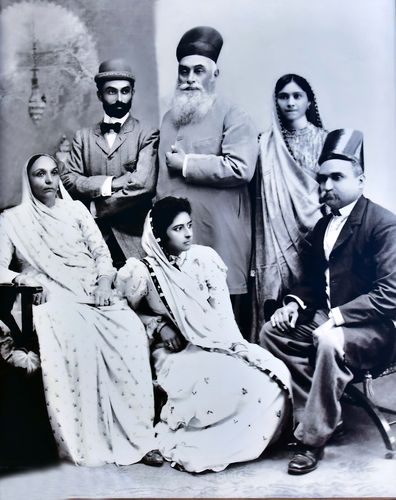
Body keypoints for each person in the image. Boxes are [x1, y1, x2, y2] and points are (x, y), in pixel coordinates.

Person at [0, 154, 163, 467]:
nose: (48, 180)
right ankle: (92, 437)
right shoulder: (13, 220)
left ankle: (139, 437)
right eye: (39, 174)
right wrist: (22, 278)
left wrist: (104, 283)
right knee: (74, 333)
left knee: (128, 329)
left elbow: (102, 255)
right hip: (51, 294)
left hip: (91, 289)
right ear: (28, 180)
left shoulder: (75, 210)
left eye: (53, 173)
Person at [116, 196, 291, 473]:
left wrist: (236, 345)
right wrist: (159, 324)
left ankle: (252, 441)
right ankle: (209, 443)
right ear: (160, 236)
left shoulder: (203, 259)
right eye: (177, 228)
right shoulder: (143, 272)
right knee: (222, 385)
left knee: (269, 375)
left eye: (189, 225)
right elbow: (122, 315)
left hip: (216, 340)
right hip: (174, 350)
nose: (187, 233)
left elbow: (222, 312)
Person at [259, 129, 396, 475]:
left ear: (361, 180)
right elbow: (313, 284)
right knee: (271, 334)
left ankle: (312, 441)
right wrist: (292, 304)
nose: (327, 186)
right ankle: (326, 416)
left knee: (326, 340)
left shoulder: (383, 225)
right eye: (322, 178)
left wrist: (338, 316)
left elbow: (391, 293)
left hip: (375, 329)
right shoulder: (323, 226)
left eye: (337, 177)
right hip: (329, 317)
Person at [156, 26, 259, 329]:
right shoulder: (168, 118)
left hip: (221, 242)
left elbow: (241, 167)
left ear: (215, 74)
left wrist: (187, 163)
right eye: (183, 71)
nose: (189, 78)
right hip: (177, 246)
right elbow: (162, 184)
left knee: (226, 330)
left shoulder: (234, 115)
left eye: (198, 70)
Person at [61, 59, 159, 267]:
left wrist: (97, 207)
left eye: (125, 91)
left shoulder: (147, 134)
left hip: (135, 240)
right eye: (111, 92)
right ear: (100, 95)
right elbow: (69, 181)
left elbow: (143, 184)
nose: (119, 98)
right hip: (90, 241)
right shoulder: (83, 137)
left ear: (133, 92)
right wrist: (111, 183)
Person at [252, 74, 327, 335]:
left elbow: (329, 190)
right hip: (275, 231)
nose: (290, 102)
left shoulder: (324, 139)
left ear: (309, 102)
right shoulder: (265, 143)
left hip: (315, 228)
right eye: (284, 97)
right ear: (276, 102)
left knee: (313, 289)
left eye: (297, 96)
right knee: (274, 291)